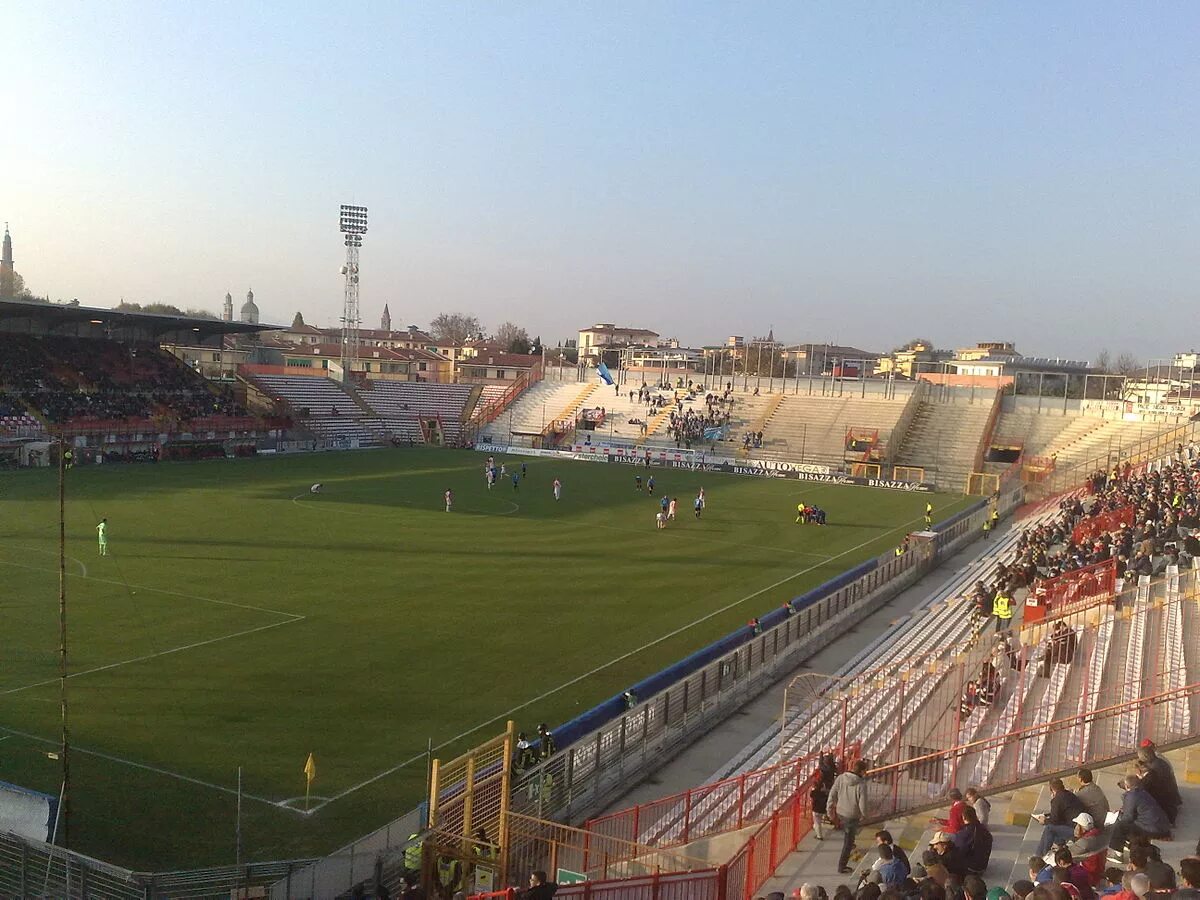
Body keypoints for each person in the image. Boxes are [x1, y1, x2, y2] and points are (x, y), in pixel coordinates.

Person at [828, 759, 870, 874]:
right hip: (852, 815)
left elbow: (832, 794)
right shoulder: (862, 785)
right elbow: (863, 804)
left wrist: (830, 811)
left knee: (848, 834)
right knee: (848, 842)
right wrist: (865, 815)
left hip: (840, 812)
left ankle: (850, 841)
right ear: (862, 771)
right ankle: (842, 866)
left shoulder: (841, 778)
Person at [1108, 776, 1170, 852]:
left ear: (1127, 786)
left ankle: (1117, 853)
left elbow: (1128, 818)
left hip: (1153, 829)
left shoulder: (1132, 796)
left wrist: (1118, 815)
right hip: (1161, 825)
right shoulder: (1142, 792)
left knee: (1120, 826)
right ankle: (1128, 843)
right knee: (1127, 824)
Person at [1035, 779, 1086, 856]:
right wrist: (1048, 815)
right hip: (1080, 826)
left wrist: (1044, 821)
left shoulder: (1057, 799)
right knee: (1055, 828)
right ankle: (1060, 845)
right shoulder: (1069, 794)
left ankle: (1041, 855)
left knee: (1049, 828)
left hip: (1076, 830)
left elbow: (1055, 820)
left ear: (1052, 790)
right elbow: (1063, 812)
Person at [1135, 742, 1181, 825]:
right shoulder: (1161, 762)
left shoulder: (1153, 771)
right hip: (1170, 796)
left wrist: (1141, 778)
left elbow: (1144, 786)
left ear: (1145, 757)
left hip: (1163, 801)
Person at [1063, 813, 1106, 886]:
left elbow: (1067, 854)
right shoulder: (1097, 835)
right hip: (1098, 872)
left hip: (1089, 876)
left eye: (1077, 825)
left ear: (1082, 827)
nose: (1076, 827)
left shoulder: (1085, 842)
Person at [952, 807, 992, 875]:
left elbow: (959, 851)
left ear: (964, 818)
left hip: (971, 869)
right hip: (983, 865)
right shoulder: (984, 830)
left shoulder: (964, 833)